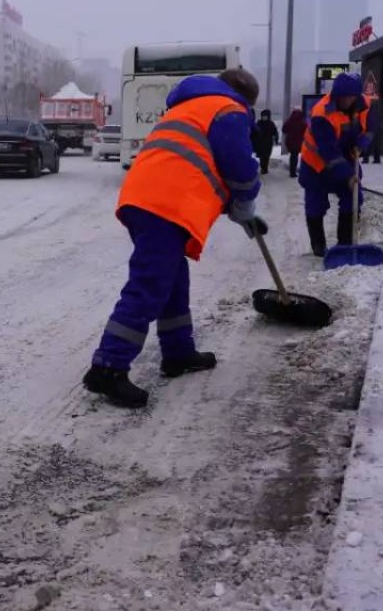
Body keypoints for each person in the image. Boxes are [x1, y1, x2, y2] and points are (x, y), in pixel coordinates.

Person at [83, 68, 267, 409]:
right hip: (166, 204)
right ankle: (107, 367)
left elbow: (199, 163)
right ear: (245, 98)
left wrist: (242, 212)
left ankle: (178, 352)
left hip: (148, 199)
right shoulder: (227, 108)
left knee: (172, 279)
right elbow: (239, 166)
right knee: (150, 284)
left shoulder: (190, 105)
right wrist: (246, 198)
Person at [299, 73, 371, 257]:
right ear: (336, 95)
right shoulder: (322, 114)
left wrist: (362, 142)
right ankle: (318, 246)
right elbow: (329, 152)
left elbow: (369, 128)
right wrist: (348, 176)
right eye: (343, 97)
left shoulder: (363, 105)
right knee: (316, 204)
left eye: (351, 97)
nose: (347, 101)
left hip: (346, 157)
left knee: (353, 196)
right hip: (315, 164)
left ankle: (345, 246)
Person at [253, 110, 280, 175]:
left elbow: (275, 132)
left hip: (268, 142)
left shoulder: (271, 124)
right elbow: (255, 132)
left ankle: (265, 168)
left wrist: (276, 139)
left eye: (265, 116)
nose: (264, 117)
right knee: (262, 156)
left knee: (266, 156)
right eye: (263, 116)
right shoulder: (259, 123)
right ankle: (263, 168)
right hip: (260, 142)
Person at [283, 108, 307, 178]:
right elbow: (307, 131)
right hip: (299, 142)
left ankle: (292, 171)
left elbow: (284, 129)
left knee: (293, 156)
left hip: (290, 142)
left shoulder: (289, 121)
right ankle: (295, 172)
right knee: (296, 156)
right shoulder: (302, 122)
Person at [361, 97, 383, 165]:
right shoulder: (377, 111)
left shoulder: (368, 111)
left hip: (370, 129)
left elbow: (368, 120)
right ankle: (377, 158)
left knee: (367, 144)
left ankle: (366, 158)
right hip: (377, 129)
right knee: (376, 145)